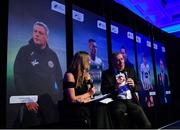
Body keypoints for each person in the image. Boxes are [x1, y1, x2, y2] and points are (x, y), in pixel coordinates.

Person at [14, 21, 63, 127]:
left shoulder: (52, 54)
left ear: (46, 37)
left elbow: (59, 78)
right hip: (32, 103)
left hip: (49, 103)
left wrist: (59, 99)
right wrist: (27, 99)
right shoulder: (24, 51)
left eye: (40, 33)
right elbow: (18, 77)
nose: (36, 34)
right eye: (35, 31)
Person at [101, 52, 151, 128]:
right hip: (117, 101)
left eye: (122, 59)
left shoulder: (130, 69)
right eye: (118, 60)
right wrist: (115, 87)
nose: (121, 62)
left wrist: (134, 85)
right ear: (113, 62)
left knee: (146, 124)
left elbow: (139, 86)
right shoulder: (106, 74)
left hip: (131, 100)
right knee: (118, 113)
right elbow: (103, 90)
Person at [62, 51, 96, 128]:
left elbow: (92, 93)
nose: (90, 62)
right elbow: (72, 99)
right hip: (73, 108)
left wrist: (89, 81)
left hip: (85, 104)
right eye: (88, 60)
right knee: (84, 112)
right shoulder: (70, 76)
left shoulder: (85, 75)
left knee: (102, 108)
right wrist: (88, 94)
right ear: (83, 62)